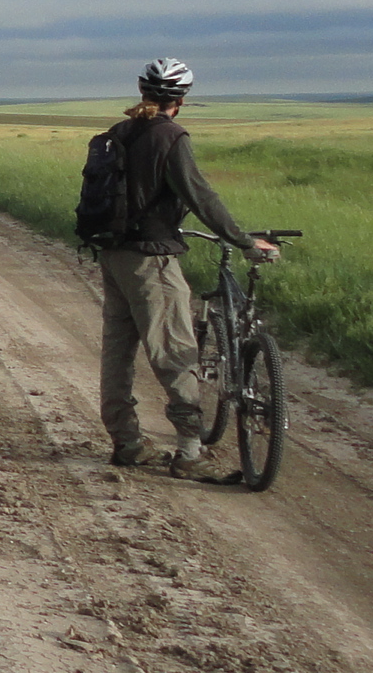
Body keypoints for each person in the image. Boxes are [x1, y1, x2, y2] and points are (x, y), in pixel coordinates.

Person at [100, 58, 276, 474]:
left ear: (143, 92)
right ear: (181, 99)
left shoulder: (119, 133)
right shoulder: (169, 136)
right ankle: (190, 453)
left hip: (113, 255)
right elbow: (202, 197)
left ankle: (126, 443)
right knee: (175, 351)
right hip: (151, 260)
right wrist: (245, 241)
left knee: (118, 352)